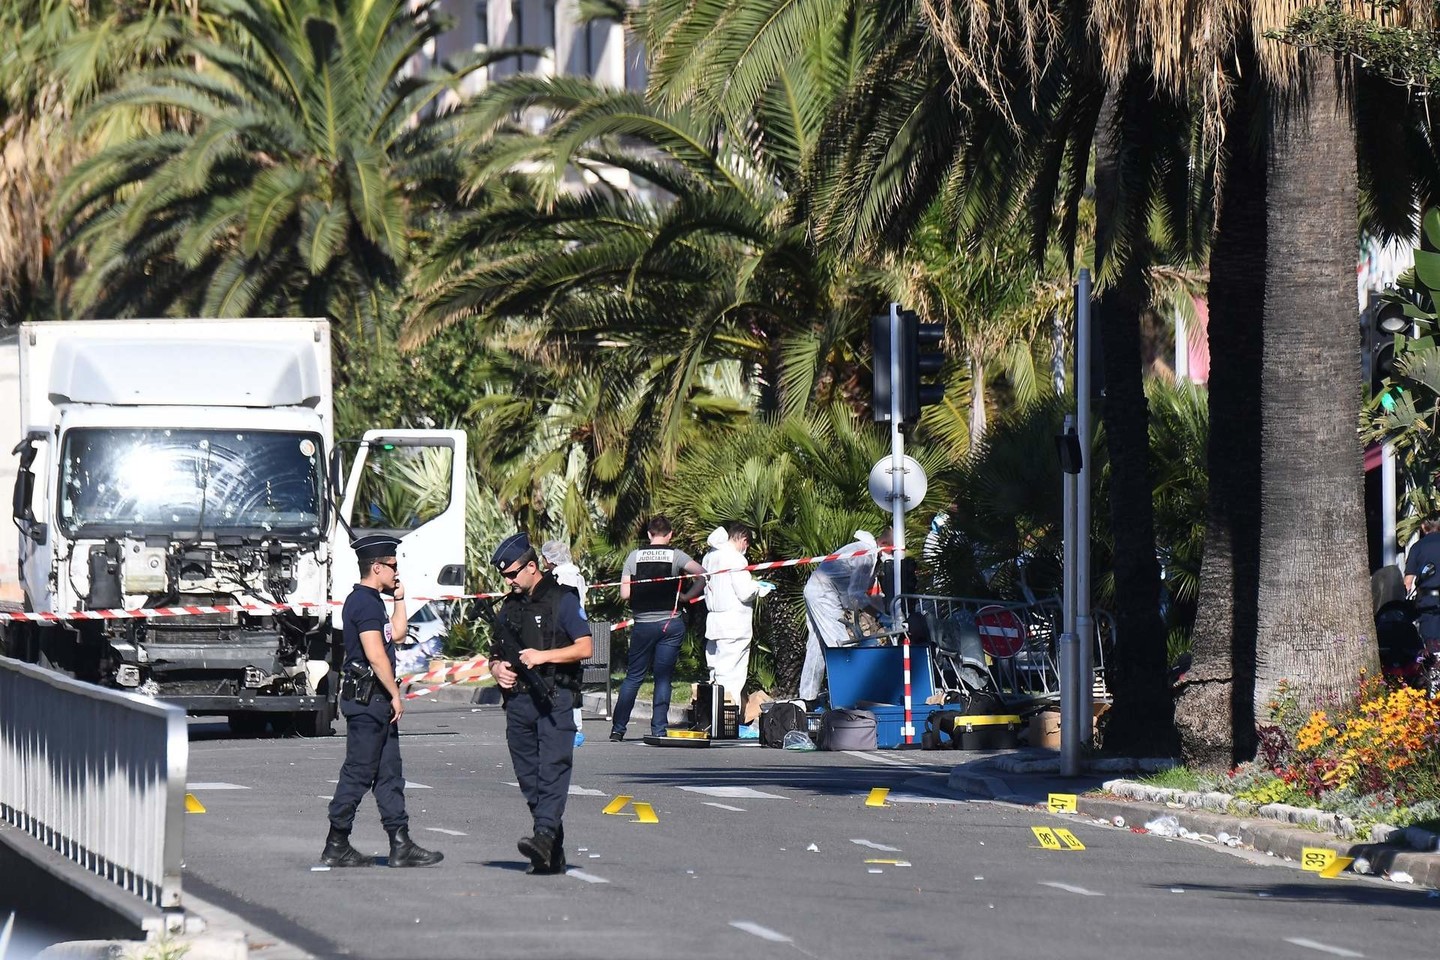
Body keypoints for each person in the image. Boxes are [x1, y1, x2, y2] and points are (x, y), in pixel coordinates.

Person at [321, 535, 443, 868]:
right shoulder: (363, 603)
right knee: (358, 773)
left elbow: (397, 635)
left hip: (376, 702)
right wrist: (394, 694)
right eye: (392, 565)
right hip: (368, 701)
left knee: (389, 774)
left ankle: (400, 843)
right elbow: (376, 655)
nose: (396, 571)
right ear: (376, 567)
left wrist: (399, 599)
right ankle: (336, 843)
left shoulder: (373, 601)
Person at [487, 532, 593, 875]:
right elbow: (495, 652)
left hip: (554, 697)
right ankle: (550, 847)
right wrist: (497, 669)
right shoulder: (510, 606)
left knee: (553, 770)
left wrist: (543, 656)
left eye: (512, 574)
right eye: (505, 576)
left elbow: (585, 647)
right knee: (528, 776)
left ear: (532, 567)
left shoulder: (563, 599)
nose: (509, 581)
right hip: (519, 701)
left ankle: (544, 835)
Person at [610, 516, 705, 741]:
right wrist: (686, 596)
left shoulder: (634, 556)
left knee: (633, 677)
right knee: (663, 678)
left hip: (643, 624)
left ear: (649, 534)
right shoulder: (676, 555)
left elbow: (625, 593)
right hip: (670, 623)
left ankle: (618, 729)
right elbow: (702, 574)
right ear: (670, 535)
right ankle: (659, 729)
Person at [798, 528, 893, 704]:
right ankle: (847, 697)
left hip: (817, 589)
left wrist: (887, 612)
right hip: (823, 593)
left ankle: (807, 698)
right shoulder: (866, 556)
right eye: (893, 551)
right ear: (884, 544)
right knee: (840, 645)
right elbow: (856, 595)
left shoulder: (870, 555)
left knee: (817, 645)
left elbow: (869, 594)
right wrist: (881, 616)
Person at [700, 523, 771, 706]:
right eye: (747, 545)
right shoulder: (736, 558)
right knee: (732, 673)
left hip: (714, 621)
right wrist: (758, 587)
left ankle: (713, 713)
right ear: (744, 540)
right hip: (734, 623)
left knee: (715, 670)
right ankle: (727, 715)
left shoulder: (710, 556)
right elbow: (744, 592)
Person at [540, 539, 590, 747]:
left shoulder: (558, 577)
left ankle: (568, 727)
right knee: (572, 680)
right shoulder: (577, 574)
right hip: (575, 630)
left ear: (549, 559)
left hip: (560, 633)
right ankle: (575, 726)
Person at [1405, 517, 1440, 644]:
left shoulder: (1417, 547)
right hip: (1428, 603)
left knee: (1431, 644)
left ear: (1423, 527)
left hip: (1427, 603)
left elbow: (1408, 582)